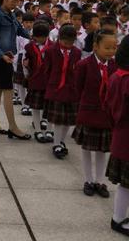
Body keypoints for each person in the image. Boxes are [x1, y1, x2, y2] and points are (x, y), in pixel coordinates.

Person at [72, 30, 117, 197]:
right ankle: (88, 180)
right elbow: (78, 87)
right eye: (107, 47)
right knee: (87, 149)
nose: (111, 51)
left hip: (106, 114)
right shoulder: (84, 65)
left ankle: (100, 181)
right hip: (88, 111)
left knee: (102, 150)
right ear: (96, 47)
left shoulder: (115, 66)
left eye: (114, 48)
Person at [0, 0, 31, 140]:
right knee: (8, 91)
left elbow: (21, 31)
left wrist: (36, 37)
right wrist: (1, 55)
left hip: (8, 57)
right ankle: (13, 127)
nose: (15, 3)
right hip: (1, 59)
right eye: (13, 0)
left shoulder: (10, 15)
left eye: (18, 1)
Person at [42, 24, 81, 159]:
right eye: (65, 42)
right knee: (58, 119)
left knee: (68, 120)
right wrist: (48, 86)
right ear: (59, 38)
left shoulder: (76, 52)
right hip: (56, 88)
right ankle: (56, 143)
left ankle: (62, 141)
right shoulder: (51, 51)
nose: (68, 45)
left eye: (71, 42)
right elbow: (46, 70)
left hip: (70, 89)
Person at [105, 35, 129, 236]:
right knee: (126, 184)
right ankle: (118, 219)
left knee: (125, 183)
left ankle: (119, 217)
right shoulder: (127, 80)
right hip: (127, 138)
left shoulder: (116, 76)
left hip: (121, 136)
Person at [24, 21, 53, 143]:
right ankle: (37, 130)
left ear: (46, 36)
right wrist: (26, 70)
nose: (38, 39)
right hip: (35, 80)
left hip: (49, 82)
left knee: (50, 107)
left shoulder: (53, 46)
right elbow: (26, 62)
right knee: (35, 107)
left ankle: (50, 130)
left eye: (40, 37)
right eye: (36, 37)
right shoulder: (29, 47)